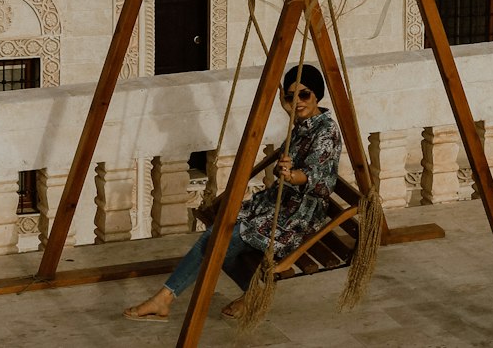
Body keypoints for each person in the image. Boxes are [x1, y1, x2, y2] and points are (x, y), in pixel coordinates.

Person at [124, 64, 342, 322]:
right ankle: (251, 294)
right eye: (289, 96)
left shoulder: (326, 131)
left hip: (297, 217)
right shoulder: (303, 124)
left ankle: (165, 298)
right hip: (277, 206)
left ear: (317, 94)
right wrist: (289, 111)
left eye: (303, 95)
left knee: (219, 240)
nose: (297, 102)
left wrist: (294, 175)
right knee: (220, 229)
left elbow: (322, 180)